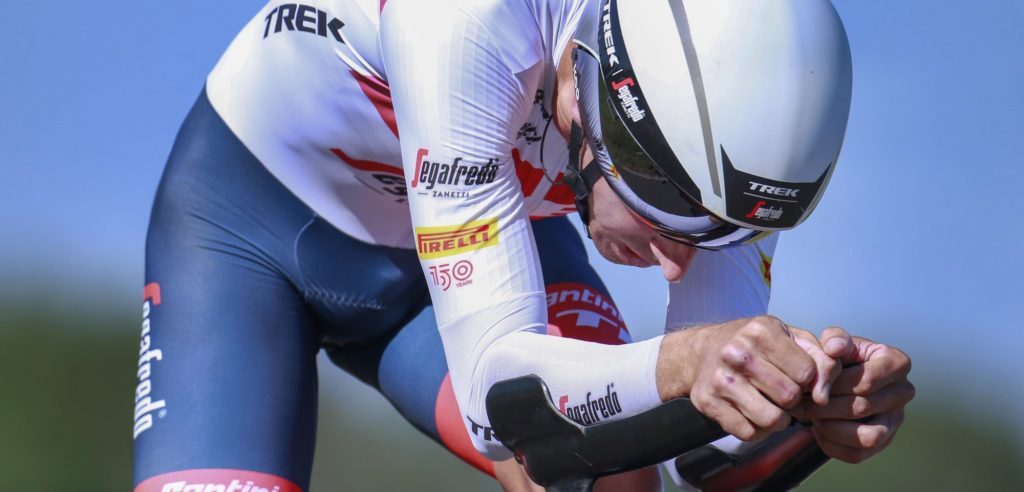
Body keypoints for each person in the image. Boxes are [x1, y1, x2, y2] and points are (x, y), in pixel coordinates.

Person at [132, 1, 914, 491]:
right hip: (245, 235)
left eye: (725, 232)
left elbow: (689, 460)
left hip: (465, 239)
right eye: (662, 203)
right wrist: (687, 364)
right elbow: (495, 402)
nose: (682, 253)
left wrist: (807, 413)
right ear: (586, 90)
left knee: (614, 479)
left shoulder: (724, 156)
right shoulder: (468, 20)